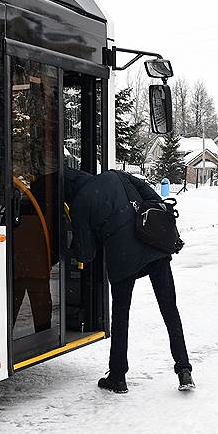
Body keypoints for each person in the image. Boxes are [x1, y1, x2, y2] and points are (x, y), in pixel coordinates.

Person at [64, 168, 194, 393]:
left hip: (123, 260)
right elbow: (154, 199)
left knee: (121, 316)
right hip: (154, 246)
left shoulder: (80, 203)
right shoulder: (117, 175)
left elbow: (86, 255)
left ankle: (118, 377)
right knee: (169, 309)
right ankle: (184, 370)